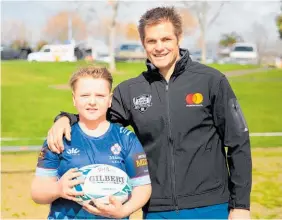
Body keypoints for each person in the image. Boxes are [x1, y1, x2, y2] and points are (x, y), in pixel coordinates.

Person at [47, 6, 252, 219]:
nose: (159, 47)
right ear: (143, 43)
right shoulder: (130, 91)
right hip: (157, 210)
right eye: (151, 41)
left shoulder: (211, 81)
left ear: (178, 38)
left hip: (211, 206)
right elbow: (95, 113)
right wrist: (65, 118)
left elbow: (239, 143)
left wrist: (241, 206)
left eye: (166, 39)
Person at [31, 66, 152, 219]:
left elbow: (142, 187)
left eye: (100, 95)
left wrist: (124, 210)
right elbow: (37, 192)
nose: (92, 102)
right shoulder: (59, 136)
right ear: (74, 99)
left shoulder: (126, 139)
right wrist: (57, 189)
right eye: (85, 95)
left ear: (109, 100)